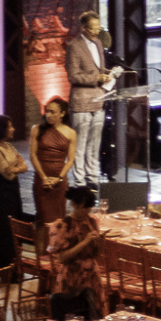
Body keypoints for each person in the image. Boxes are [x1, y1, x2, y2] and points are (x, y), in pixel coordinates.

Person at [64, 10, 118, 189]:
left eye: (99, 27)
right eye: (94, 29)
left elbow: (99, 69)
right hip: (81, 102)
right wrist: (96, 79)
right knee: (80, 144)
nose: (97, 31)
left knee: (95, 144)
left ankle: (92, 177)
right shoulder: (74, 46)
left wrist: (108, 74)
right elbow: (73, 76)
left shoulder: (98, 43)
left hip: (98, 99)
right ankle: (79, 180)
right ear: (84, 29)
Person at [44, 186, 106, 321]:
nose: (87, 212)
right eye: (85, 208)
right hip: (71, 278)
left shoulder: (92, 222)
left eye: (89, 208)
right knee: (70, 318)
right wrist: (84, 242)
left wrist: (101, 243)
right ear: (74, 204)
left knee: (93, 317)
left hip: (91, 276)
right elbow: (62, 258)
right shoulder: (61, 226)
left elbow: (96, 254)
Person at [0, 114, 24, 274]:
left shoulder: (9, 147)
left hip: (13, 193)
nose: (13, 129)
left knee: (16, 229)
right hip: (1, 196)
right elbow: (7, 174)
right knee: (4, 232)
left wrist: (14, 167)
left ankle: (16, 269)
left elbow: (24, 166)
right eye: (10, 126)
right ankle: (4, 270)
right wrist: (16, 166)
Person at [29, 97, 76, 226]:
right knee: (42, 219)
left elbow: (70, 160)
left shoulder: (70, 133)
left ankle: (57, 245)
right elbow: (33, 155)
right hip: (41, 179)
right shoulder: (37, 129)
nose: (48, 115)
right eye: (47, 111)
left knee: (58, 219)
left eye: (53, 112)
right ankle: (42, 246)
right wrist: (43, 177)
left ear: (62, 113)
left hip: (59, 181)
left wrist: (59, 178)